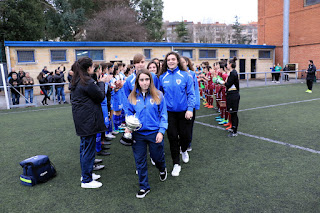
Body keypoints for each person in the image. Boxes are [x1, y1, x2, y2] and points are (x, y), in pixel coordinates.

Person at [127, 68, 168, 199]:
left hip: (154, 133)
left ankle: (162, 168)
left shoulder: (158, 95)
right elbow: (128, 113)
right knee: (140, 161)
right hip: (138, 135)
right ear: (137, 82)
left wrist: (161, 131)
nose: (144, 82)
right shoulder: (132, 96)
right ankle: (144, 187)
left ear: (150, 81)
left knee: (157, 158)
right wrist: (129, 126)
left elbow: (163, 115)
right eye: (141, 80)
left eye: (147, 79)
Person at [70, 56, 110, 189]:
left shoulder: (78, 80)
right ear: (88, 68)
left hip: (82, 120)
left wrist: (97, 82)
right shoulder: (86, 81)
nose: (94, 68)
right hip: (88, 121)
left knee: (84, 148)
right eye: (93, 66)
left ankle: (86, 174)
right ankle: (86, 180)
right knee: (88, 149)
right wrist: (102, 82)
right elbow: (100, 96)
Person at [159, 51, 195, 177]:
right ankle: (176, 164)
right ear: (166, 62)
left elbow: (191, 93)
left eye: (173, 59)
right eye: (168, 60)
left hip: (184, 113)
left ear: (178, 61)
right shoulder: (162, 77)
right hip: (169, 113)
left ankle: (184, 150)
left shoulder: (185, 76)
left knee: (185, 137)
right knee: (173, 138)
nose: (171, 61)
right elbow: (159, 95)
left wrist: (190, 109)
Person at [181, 56, 200, 151]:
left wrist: (196, 104)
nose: (182, 64)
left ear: (187, 63)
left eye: (183, 62)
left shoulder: (192, 74)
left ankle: (188, 143)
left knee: (189, 126)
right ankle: (181, 144)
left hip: (190, 105)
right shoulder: (177, 74)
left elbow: (195, 90)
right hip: (181, 106)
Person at [220, 57, 240, 137]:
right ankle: (233, 128)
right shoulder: (231, 73)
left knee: (234, 113)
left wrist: (220, 82)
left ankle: (234, 131)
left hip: (233, 95)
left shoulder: (233, 73)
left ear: (230, 65)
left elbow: (228, 84)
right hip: (231, 94)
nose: (226, 65)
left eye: (228, 64)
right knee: (231, 112)